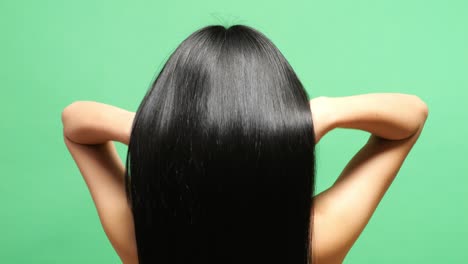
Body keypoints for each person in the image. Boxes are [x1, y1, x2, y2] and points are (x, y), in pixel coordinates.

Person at [61, 24, 428, 264]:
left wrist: (162, 133)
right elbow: (411, 117)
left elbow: (75, 122)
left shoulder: (141, 241)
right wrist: (320, 114)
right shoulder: (315, 244)